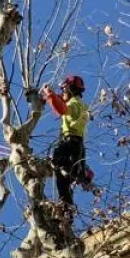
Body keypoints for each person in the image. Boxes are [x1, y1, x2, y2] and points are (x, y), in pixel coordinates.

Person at [41, 73, 94, 206]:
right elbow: (62, 102)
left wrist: (50, 95)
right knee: (63, 182)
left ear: (69, 89)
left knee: (57, 159)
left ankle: (74, 172)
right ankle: (66, 210)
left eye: (63, 90)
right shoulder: (81, 106)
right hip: (79, 147)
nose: (62, 93)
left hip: (70, 142)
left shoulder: (74, 104)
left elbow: (62, 108)